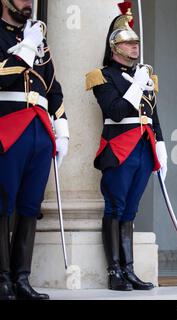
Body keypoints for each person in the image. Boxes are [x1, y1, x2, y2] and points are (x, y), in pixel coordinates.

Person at [85, 2, 167, 291]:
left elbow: (153, 114)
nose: (135, 47)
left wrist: (160, 143)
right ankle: (113, 271)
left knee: (131, 210)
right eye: (128, 42)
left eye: (136, 42)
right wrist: (137, 84)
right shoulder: (103, 76)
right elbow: (116, 111)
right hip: (119, 147)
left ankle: (129, 270)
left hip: (143, 148)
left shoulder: (144, 76)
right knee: (116, 207)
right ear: (114, 47)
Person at [0, 0, 69, 300]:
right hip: (8, 126)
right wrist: (25, 50)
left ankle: (22, 278)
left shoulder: (38, 39)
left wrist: (62, 126)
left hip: (40, 129)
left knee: (30, 206)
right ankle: (2, 278)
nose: (28, 2)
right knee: (2, 204)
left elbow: (53, 87)